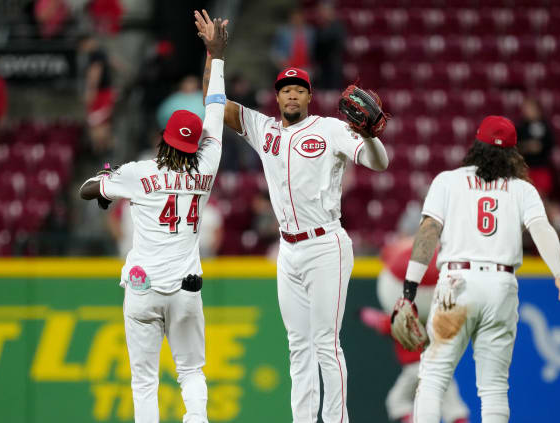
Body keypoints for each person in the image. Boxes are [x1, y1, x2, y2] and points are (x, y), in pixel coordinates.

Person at [196, 9, 389, 422]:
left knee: (326, 343)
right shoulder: (263, 130)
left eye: (299, 90)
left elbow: (379, 163)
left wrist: (371, 137)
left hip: (326, 245)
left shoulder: (329, 129)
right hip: (288, 250)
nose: (292, 96)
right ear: (278, 96)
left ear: (308, 96)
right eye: (285, 90)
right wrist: (216, 55)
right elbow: (214, 104)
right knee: (298, 346)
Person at [78, 18, 228, 423]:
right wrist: (216, 55)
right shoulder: (207, 166)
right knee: (191, 370)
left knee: (144, 380)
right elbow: (214, 108)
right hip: (185, 289)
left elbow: (87, 190)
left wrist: (106, 185)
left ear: (164, 138)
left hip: (143, 288)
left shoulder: (139, 173)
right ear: (195, 144)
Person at [390, 116, 560, 423]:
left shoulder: (448, 181)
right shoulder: (522, 189)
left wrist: (409, 291)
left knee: (434, 376)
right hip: (501, 285)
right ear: (513, 153)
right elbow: (542, 229)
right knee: (493, 387)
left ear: (477, 145)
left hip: (457, 284)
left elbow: (428, 232)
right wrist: (559, 273)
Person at [360, 240, 469, 423]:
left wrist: (366, 315)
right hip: (440, 365)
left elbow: (381, 323)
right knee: (450, 402)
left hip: (416, 368)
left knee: (397, 401)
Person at [79, 35, 116, 155]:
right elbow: (113, 62)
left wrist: (91, 91)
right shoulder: (102, 52)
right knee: (103, 121)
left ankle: (100, 150)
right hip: (107, 91)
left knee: (96, 122)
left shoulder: (94, 55)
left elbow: (95, 74)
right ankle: (106, 147)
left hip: (100, 93)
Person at [516, 97, 554, 198]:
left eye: (529, 108)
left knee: (541, 197)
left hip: (542, 166)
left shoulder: (545, 126)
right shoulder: (521, 127)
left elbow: (550, 144)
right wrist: (527, 146)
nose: (527, 111)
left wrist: (540, 146)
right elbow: (516, 145)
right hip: (526, 168)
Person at [313, 2, 346, 90]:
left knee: (333, 91)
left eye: (323, 11)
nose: (321, 13)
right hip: (322, 65)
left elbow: (337, 45)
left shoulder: (338, 26)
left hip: (333, 64)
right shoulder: (319, 27)